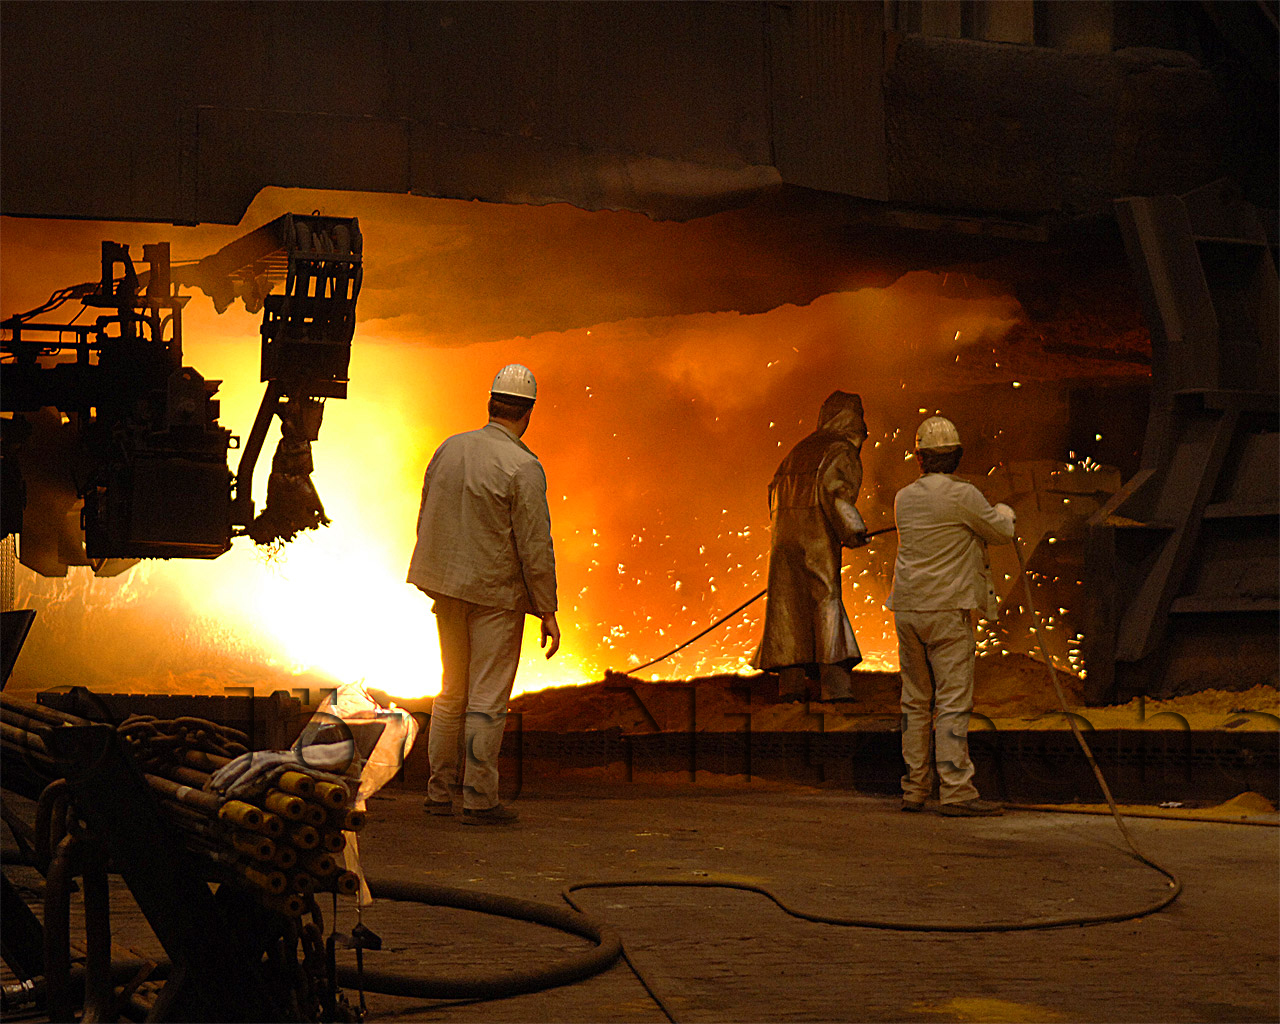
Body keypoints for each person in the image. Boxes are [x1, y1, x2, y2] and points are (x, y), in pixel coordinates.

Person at [406, 364, 559, 825]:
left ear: (491, 402)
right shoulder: (524, 467)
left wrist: (435, 573)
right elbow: (535, 544)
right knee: (486, 698)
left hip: (448, 587)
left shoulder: (450, 448)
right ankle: (478, 799)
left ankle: (438, 793)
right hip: (494, 593)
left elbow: (426, 513)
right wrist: (546, 608)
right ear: (528, 412)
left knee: (451, 691)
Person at [888, 415, 1015, 817]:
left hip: (907, 608)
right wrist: (1005, 510)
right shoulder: (965, 495)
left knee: (915, 701)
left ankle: (914, 789)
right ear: (957, 456)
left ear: (921, 458)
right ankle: (957, 792)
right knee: (952, 703)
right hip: (946, 611)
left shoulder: (903, 497)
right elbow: (1000, 532)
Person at [755, 390, 869, 702]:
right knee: (825, 601)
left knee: (787, 605)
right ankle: (835, 687)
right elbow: (836, 494)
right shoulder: (840, 449)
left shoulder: (798, 450)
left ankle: (789, 687)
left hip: (783, 538)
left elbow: (772, 493)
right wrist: (853, 530)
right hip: (816, 537)